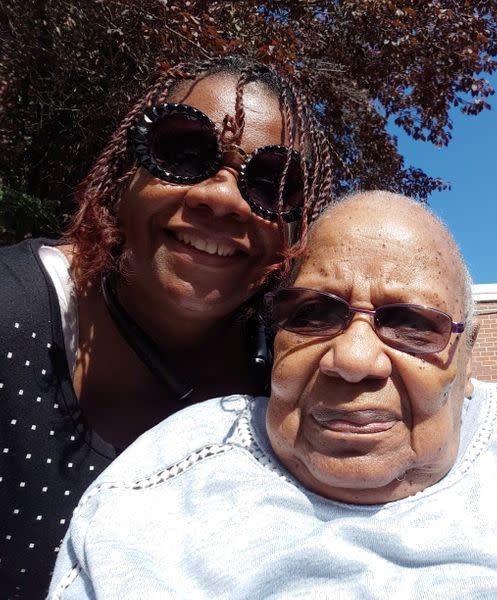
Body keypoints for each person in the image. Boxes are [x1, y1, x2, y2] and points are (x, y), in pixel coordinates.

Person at [49, 192, 497, 599]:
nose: (351, 359)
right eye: (313, 314)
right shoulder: (164, 489)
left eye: (410, 323)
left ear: (469, 358)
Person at [0, 55, 333, 597]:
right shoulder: (11, 312)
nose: (222, 198)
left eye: (272, 184)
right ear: (123, 174)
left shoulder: (288, 374)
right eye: (184, 151)